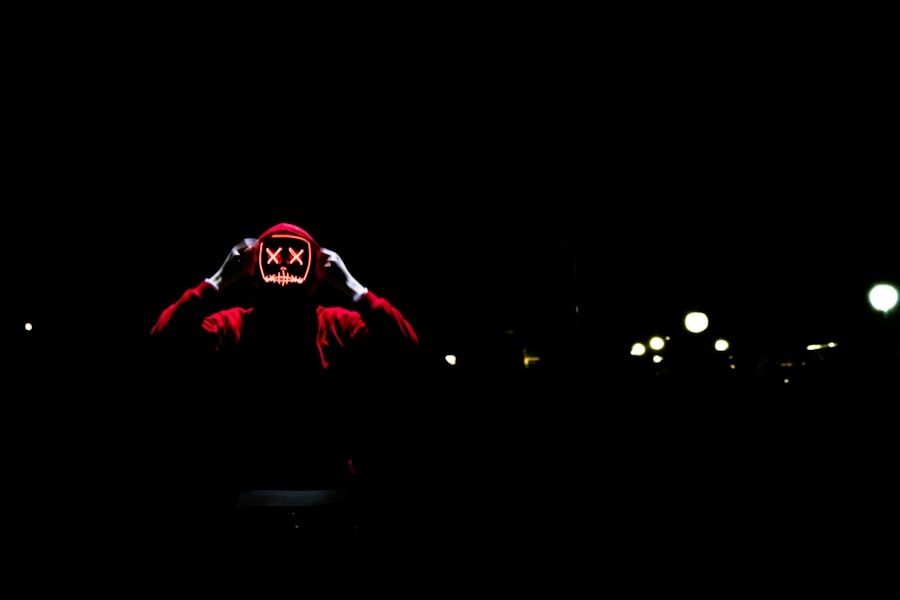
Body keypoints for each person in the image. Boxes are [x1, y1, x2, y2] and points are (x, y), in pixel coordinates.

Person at [145, 222, 420, 593]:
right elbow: (163, 343)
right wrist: (353, 289)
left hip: (312, 514)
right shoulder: (240, 325)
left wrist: (217, 281)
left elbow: (405, 348)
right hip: (277, 516)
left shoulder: (321, 325)